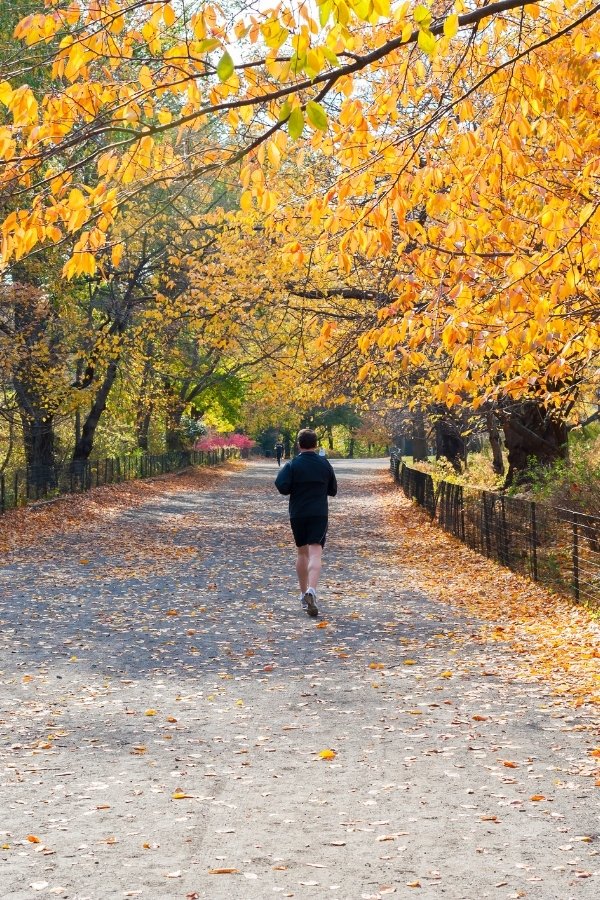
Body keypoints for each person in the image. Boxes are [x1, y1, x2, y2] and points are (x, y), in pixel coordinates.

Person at [275, 428, 337, 617]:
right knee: (315, 552)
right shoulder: (324, 464)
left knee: (302, 552)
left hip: (298, 513)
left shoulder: (293, 464)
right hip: (319, 513)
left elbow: (281, 486)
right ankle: (312, 590)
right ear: (315, 444)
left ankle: (303, 595)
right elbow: (333, 490)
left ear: (298, 444)